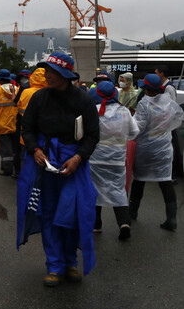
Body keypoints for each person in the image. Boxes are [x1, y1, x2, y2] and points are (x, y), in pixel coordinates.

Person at [18, 52, 100, 287]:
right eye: (46, 71)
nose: (47, 76)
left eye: (53, 73)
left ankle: (71, 262)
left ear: (65, 75)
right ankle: (53, 265)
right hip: (45, 162)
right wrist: (35, 150)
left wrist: (77, 158)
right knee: (49, 213)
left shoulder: (84, 100)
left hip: (74, 162)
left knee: (73, 213)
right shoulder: (39, 97)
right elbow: (27, 128)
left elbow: (93, 135)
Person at [129, 73, 184, 231]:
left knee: (139, 180)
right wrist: (165, 130)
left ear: (145, 89)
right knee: (165, 181)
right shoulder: (169, 102)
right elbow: (179, 116)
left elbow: (138, 127)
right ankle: (171, 219)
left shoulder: (144, 104)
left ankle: (132, 214)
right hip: (164, 149)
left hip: (145, 150)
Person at [88, 81, 139, 240]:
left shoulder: (92, 111)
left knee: (94, 190)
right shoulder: (124, 112)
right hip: (117, 159)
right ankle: (124, 223)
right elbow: (134, 133)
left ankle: (96, 224)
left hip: (95, 159)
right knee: (118, 190)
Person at [15, 68, 47, 177]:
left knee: (26, 156)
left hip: (27, 132)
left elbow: (19, 107)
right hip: (44, 134)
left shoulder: (26, 91)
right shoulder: (50, 93)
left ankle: (24, 177)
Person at [154, 66, 183, 180]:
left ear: (161, 74)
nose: (155, 75)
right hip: (165, 122)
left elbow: (171, 107)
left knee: (171, 149)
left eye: (156, 73)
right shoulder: (163, 86)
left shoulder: (169, 88)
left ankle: (173, 174)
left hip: (169, 123)